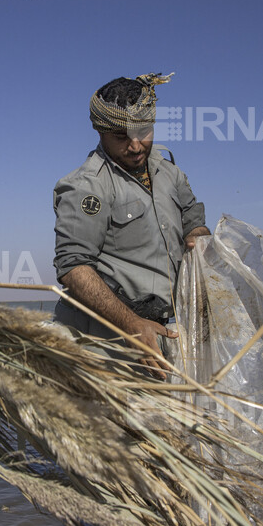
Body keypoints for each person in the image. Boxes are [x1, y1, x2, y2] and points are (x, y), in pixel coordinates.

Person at [53, 73, 209, 378]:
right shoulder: (86, 186)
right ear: (101, 131)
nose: (136, 146)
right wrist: (131, 325)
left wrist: (198, 239)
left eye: (143, 132)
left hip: (165, 337)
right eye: (121, 137)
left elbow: (193, 220)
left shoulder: (170, 172)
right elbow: (73, 268)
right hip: (108, 345)